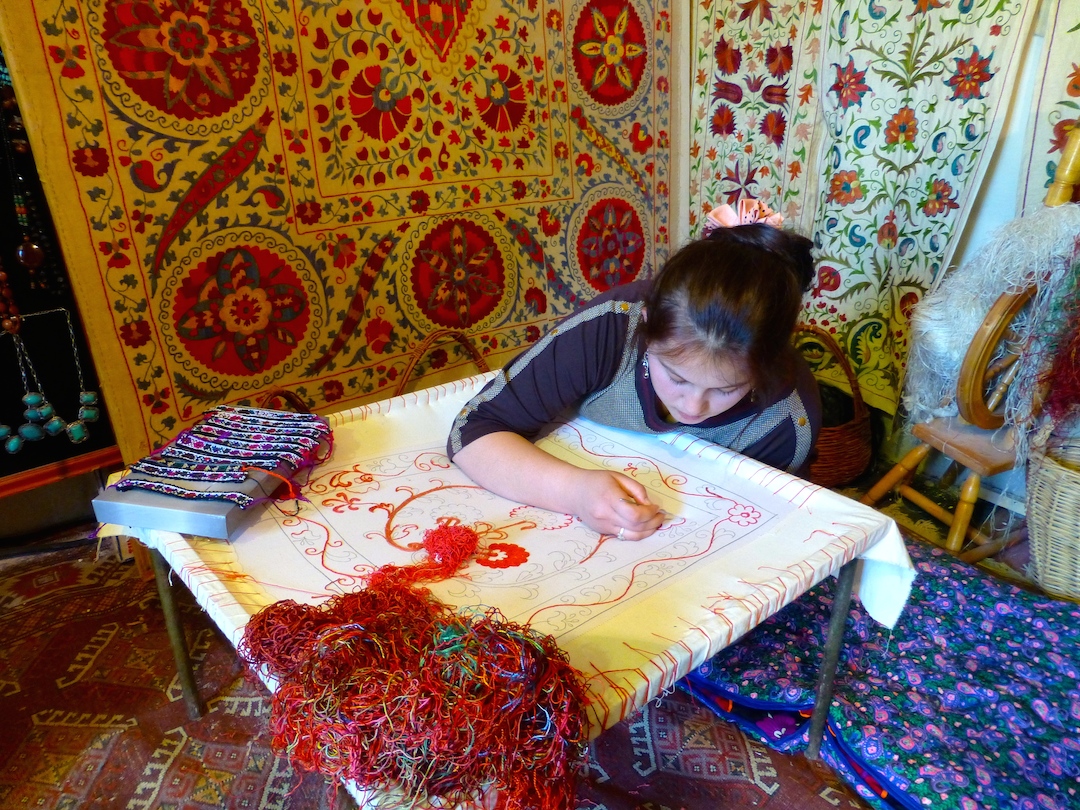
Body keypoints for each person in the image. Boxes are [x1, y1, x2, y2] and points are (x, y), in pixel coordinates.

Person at [447, 203, 821, 541]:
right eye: (676, 377)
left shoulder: (785, 420)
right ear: (645, 324)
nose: (692, 407)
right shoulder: (609, 328)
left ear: (768, 364)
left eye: (727, 389)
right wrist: (575, 491)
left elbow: (767, 536)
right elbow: (475, 429)